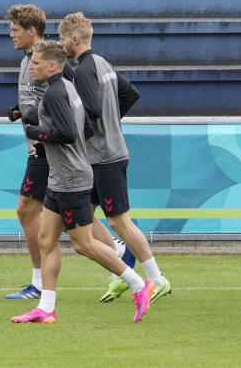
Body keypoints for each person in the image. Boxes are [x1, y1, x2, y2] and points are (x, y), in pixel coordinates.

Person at [11, 41, 154, 324]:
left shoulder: (54, 93)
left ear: (52, 65)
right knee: (46, 240)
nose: (32, 70)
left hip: (72, 179)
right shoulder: (68, 88)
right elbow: (85, 128)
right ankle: (46, 308)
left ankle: (139, 286)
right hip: (60, 177)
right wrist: (37, 125)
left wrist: (37, 133)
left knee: (84, 245)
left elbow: (66, 133)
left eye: (37, 64)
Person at [57, 13, 171, 304]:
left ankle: (157, 279)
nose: (60, 44)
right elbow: (130, 93)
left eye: (61, 38)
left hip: (104, 157)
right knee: (83, 217)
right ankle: (122, 271)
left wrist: (80, 128)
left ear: (75, 38)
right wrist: (112, 122)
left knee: (120, 222)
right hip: (100, 156)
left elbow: (91, 110)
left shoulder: (83, 69)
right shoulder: (102, 63)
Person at [4, 4, 50, 300]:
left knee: (26, 209)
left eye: (15, 29)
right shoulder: (28, 59)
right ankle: (121, 253)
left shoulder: (47, 58)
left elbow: (64, 97)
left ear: (31, 31)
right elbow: (41, 98)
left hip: (45, 148)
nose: (10, 34)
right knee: (74, 217)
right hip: (40, 146)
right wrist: (22, 110)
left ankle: (39, 284)